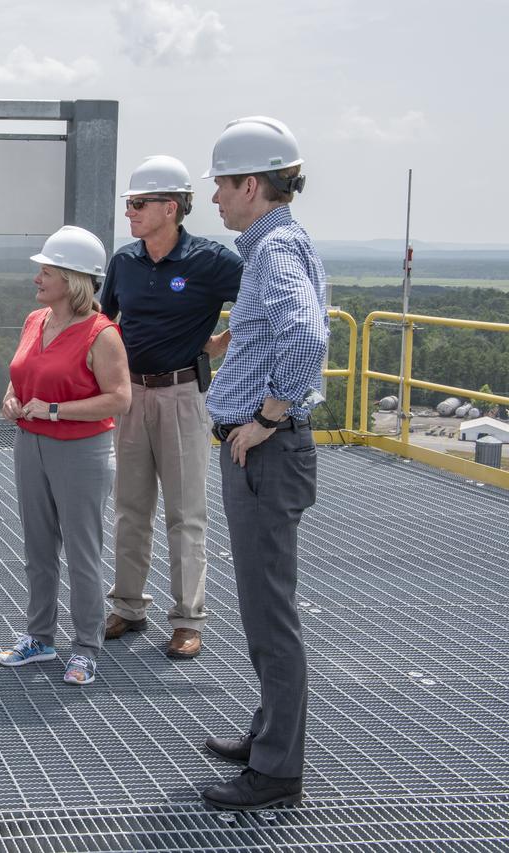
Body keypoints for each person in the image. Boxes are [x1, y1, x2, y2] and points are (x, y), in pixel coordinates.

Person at [197, 116, 328, 811]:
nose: (215, 197)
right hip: (266, 451)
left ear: (253, 184)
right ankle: (269, 734)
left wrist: (266, 416)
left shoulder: (274, 250)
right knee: (261, 607)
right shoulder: (280, 243)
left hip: (266, 453)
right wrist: (236, 341)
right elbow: (282, 330)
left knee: (270, 613)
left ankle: (278, 770)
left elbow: (306, 338)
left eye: (222, 184)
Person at [100, 155, 243, 659]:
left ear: (170, 208)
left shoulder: (211, 260)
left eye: (138, 204)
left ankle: (187, 619)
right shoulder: (124, 262)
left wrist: (222, 341)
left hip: (184, 396)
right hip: (133, 396)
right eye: (130, 205)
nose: (130, 214)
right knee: (130, 508)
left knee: (186, 513)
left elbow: (265, 302)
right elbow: (102, 323)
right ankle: (129, 606)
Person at [0, 226, 131, 685]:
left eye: (46, 270)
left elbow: (119, 399)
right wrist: (12, 398)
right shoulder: (35, 321)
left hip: (81, 451)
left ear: (72, 280)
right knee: (38, 548)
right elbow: (22, 374)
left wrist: (55, 411)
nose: (36, 277)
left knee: (82, 552)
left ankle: (87, 647)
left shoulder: (101, 333)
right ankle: (40, 637)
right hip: (29, 443)